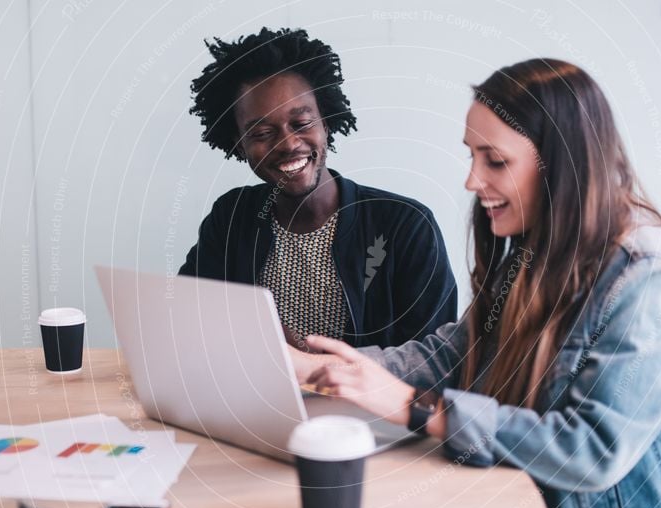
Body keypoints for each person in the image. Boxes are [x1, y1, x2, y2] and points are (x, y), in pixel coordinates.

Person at [291, 59, 661, 508]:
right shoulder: (537, 253)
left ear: (563, 164)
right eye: (472, 156)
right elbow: (453, 353)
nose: (473, 180)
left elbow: (592, 451)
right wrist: (317, 369)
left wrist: (417, 407)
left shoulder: (648, 282)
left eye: (495, 160)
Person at [180, 27, 457, 348]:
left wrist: (319, 370)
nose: (288, 143)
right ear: (239, 145)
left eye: (301, 124)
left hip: (365, 399)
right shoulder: (231, 217)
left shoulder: (406, 224)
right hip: (252, 396)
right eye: (261, 133)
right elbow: (188, 321)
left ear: (326, 121)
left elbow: (433, 361)